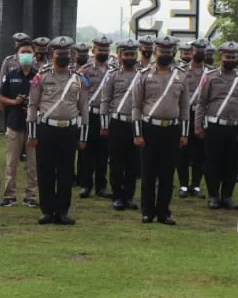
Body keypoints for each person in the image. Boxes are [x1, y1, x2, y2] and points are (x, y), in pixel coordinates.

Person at [27, 36, 89, 225]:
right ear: (52, 54)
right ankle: (47, 211)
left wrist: (83, 136)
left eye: (65, 53)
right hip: (47, 129)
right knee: (45, 171)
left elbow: (84, 108)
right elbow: (32, 105)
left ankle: (62, 211)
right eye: (58, 53)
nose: (62, 56)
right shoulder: (41, 76)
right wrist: (32, 133)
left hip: (69, 131)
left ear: (71, 55)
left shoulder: (78, 79)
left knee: (66, 172)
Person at [132, 36, 190, 225]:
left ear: (173, 52)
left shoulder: (181, 75)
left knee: (167, 174)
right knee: (148, 173)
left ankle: (164, 212)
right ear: (155, 52)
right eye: (162, 51)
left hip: (172, 129)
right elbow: (136, 106)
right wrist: (138, 133)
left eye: (169, 51)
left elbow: (185, 107)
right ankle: (147, 212)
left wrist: (184, 133)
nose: (165, 54)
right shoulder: (143, 74)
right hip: (149, 129)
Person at [194, 41, 238, 210]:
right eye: (228, 57)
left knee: (232, 163)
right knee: (213, 162)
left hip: (236, 126)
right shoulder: (210, 76)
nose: (231, 59)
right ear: (221, 57)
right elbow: (201, 102)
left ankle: (227, 196)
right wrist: (198, 125)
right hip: (215, 126)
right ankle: (213, 196)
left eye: (234, 57)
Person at [102, 38, 144, 212]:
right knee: (117, 161)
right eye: (126, 54)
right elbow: (105, 100)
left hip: (136, 124)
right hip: (117, 122)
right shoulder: (112, 75)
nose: (129, 57)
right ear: (119, 55)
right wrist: (105, 125)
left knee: (133, 162)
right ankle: (117, 196)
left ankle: (129, 196)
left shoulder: (143, 75)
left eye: (132, 54)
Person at [0, 39, 39, 207]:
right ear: (17, 55)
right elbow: (0, 98)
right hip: (14, 123)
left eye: (29, 52)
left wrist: (31, 103)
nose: (26, 55)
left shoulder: (38, 76)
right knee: (11, 162)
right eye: (23, 52)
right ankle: (9, 196)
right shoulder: (11, 75)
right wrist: (14, 102)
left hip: (32, 126)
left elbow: (44, 99)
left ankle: (31, 196)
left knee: (32, 163)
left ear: (34, 55)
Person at [77, 35, 115, 199]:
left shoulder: (113, 70)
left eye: (106, 50)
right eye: (101, 50)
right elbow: (78, 92)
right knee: (86, 151)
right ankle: (86, 185)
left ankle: (101, 186)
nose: (103, 52)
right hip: (89, 115)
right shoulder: (85, 70)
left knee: (104, 152)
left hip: (106, 116)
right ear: (93, 51)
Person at [177, 37, 209, 199]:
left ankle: (195, 185)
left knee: (200, 152)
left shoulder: (209, 72)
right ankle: (183, 184)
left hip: (201, 114)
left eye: (203, 51)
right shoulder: (181, 71)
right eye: (197, 51)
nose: (199, 53)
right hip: (185, 113)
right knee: (183, 150)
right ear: (191, 52)